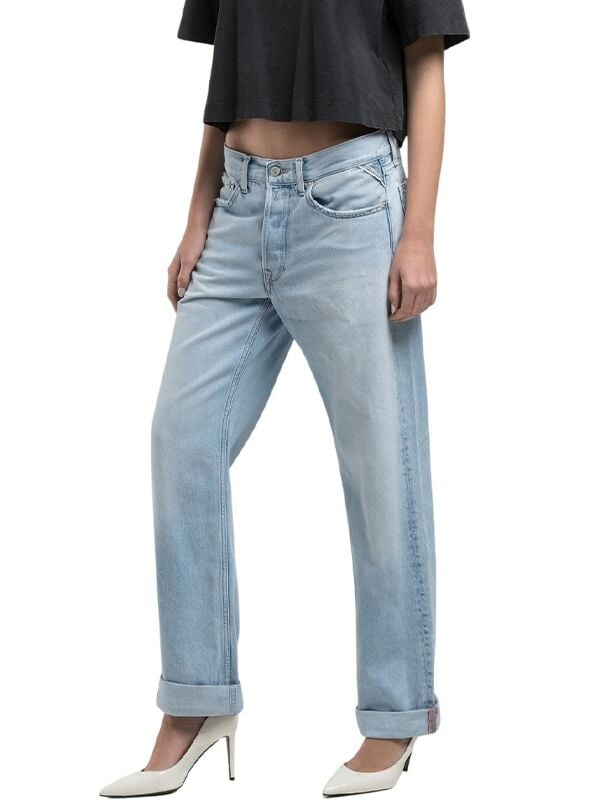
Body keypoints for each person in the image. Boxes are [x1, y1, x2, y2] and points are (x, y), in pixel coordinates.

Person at [99, 1, 470, 797]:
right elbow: (227, 78)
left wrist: (419, 232)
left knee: (381, 469)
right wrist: (197, 215)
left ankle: (395, 713)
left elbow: (427, 63)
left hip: (351, 205)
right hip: (236, 207)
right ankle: (196, 701)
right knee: (182, 440)